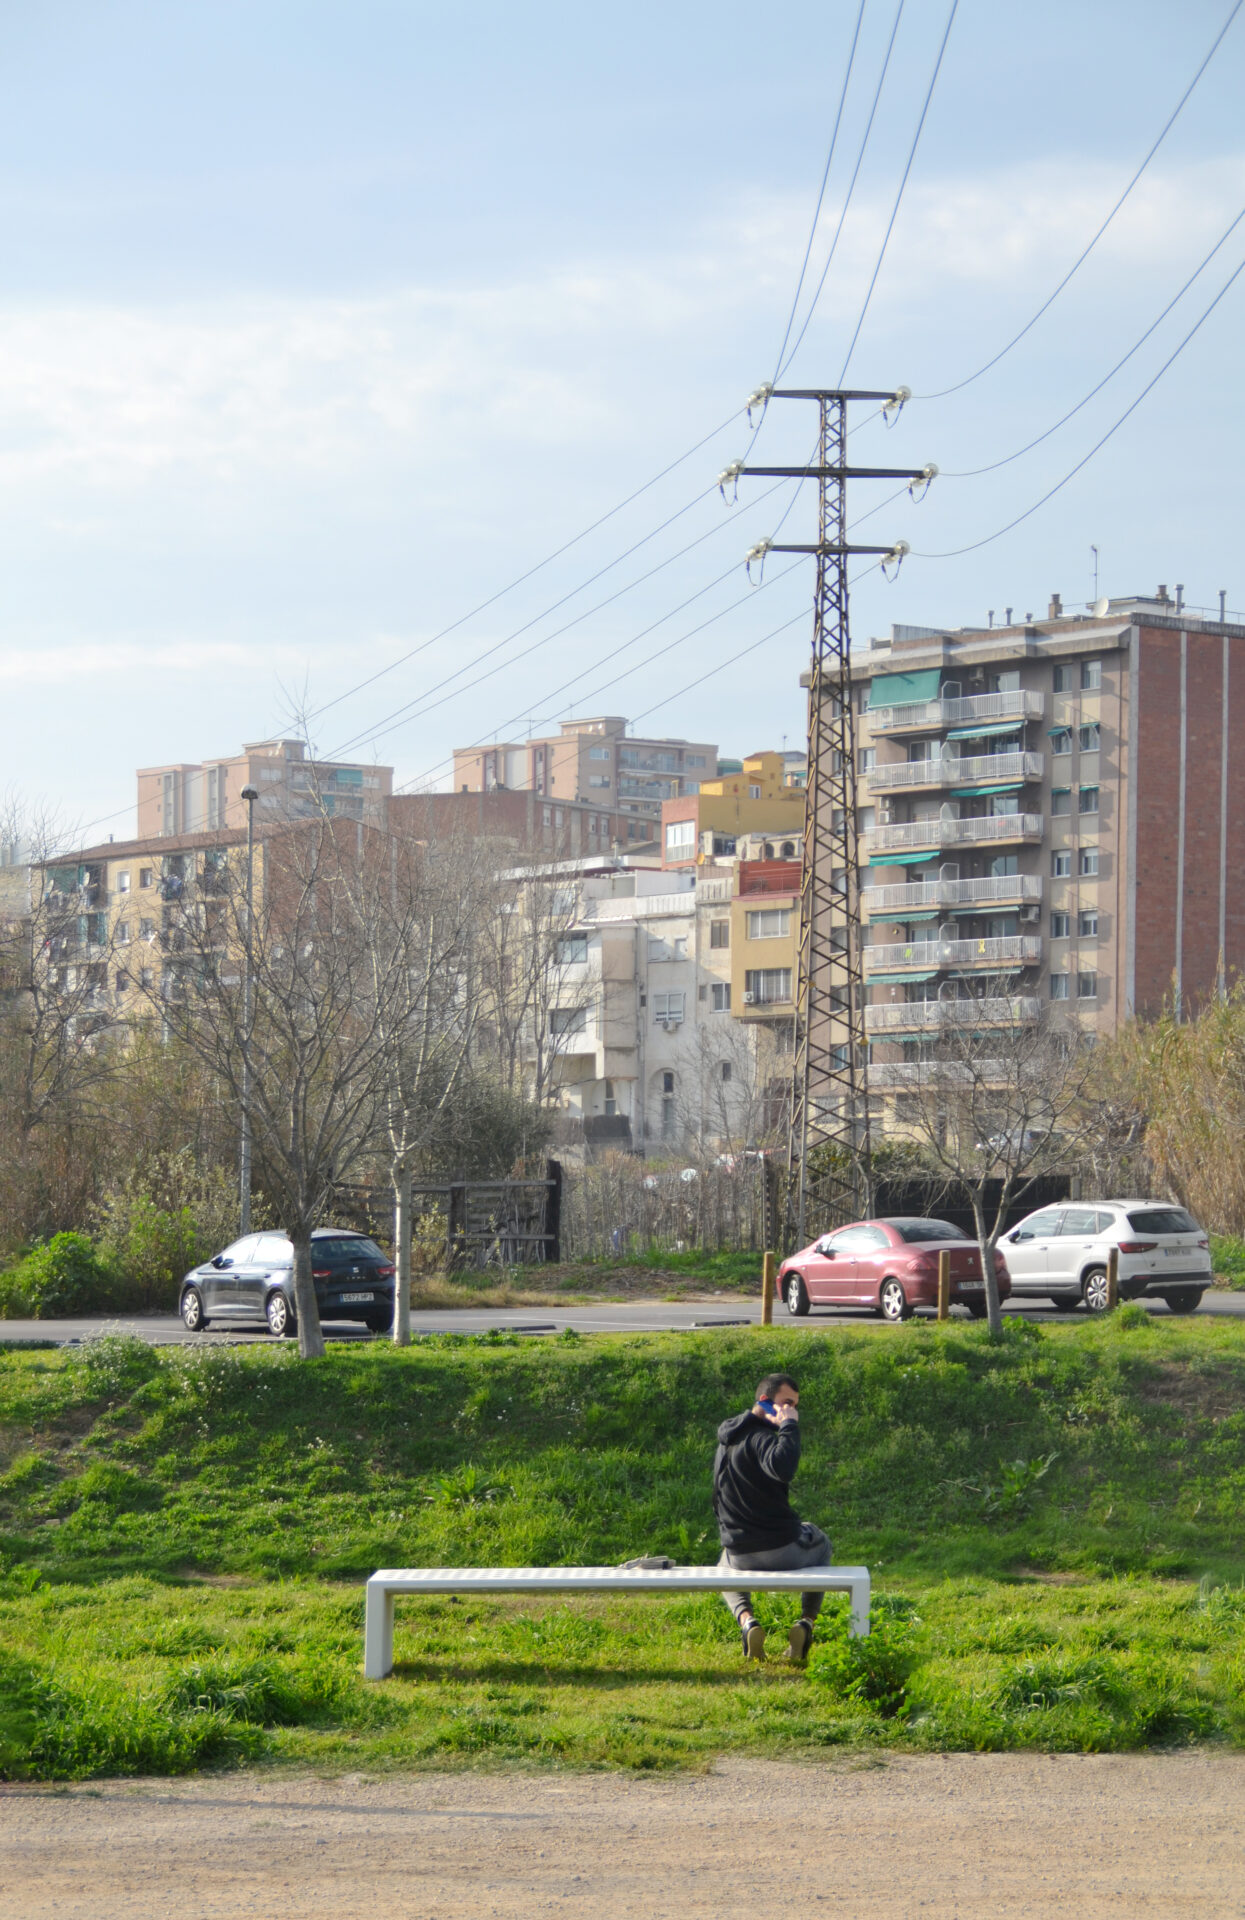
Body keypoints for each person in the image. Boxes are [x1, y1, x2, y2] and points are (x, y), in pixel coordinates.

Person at [712, 1371, 831, 1663]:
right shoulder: (762, 1438)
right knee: (822, 1542)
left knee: (723, 1562)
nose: (793, 1410)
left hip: (739, 1553)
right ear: (765, 1403)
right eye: (787, 1403)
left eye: (795, 1406)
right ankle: (806, 1624)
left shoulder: (727, 1441)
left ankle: (747, 1621)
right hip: (781, 1551)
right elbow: (783, 1467)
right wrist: (789, 1425)